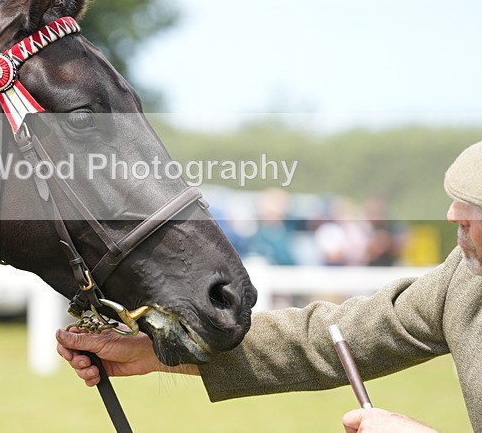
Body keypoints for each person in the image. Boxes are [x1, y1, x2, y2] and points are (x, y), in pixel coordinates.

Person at [57, 141, 482, 432]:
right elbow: (326, 339)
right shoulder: (462, 282)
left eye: (476, 204)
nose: (451, 215)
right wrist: (160, 351)